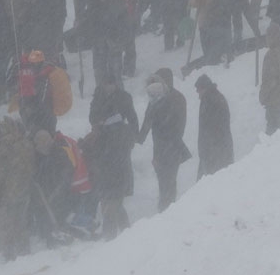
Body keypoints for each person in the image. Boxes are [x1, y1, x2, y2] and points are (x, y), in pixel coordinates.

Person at [85, 73, 138, 239]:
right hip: (111, 165)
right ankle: (126, 232)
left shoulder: (123, 99)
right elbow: (92, 117)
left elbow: (133, 119)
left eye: (111, 84)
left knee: (111, 200)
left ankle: (112, 237)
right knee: (114, 200)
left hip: (113, 165)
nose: (108, 87)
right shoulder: (98, 98)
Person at [138, 70, 189, 211]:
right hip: (170, 145)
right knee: (168, 179)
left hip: (167, 145)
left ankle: (167, 208)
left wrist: (140, 137)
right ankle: (168, 206)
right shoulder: (175, 97)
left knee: (167, 179)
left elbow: (149, 119)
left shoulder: (167, 98)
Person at [0, 117, 36, 261]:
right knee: (20, 223)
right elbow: (31, 168)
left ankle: (9, 257)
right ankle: (24, 253)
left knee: (5, 227)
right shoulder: (26, 145)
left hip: (7, 194)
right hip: (24, 191)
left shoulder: (3, 150)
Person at [30, 130, 74, 246]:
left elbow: (67, 175)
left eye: (38, 144)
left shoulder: (59, 154)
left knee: (59, 219)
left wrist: (56, 193)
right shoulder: (40, 156)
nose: (37, 147)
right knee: (48, 220)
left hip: (59, 195)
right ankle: (50, 240)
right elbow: (38, 175)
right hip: (45, 195)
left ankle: (61, 240)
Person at [194, 75, 233, 177]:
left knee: (208, 185)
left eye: (199, 91)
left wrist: (205, 151)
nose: (198, 96)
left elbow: (207, 129)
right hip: (221, 148)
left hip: (213, 152)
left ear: (204, 88)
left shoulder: (208, 100)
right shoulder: (218, 97)